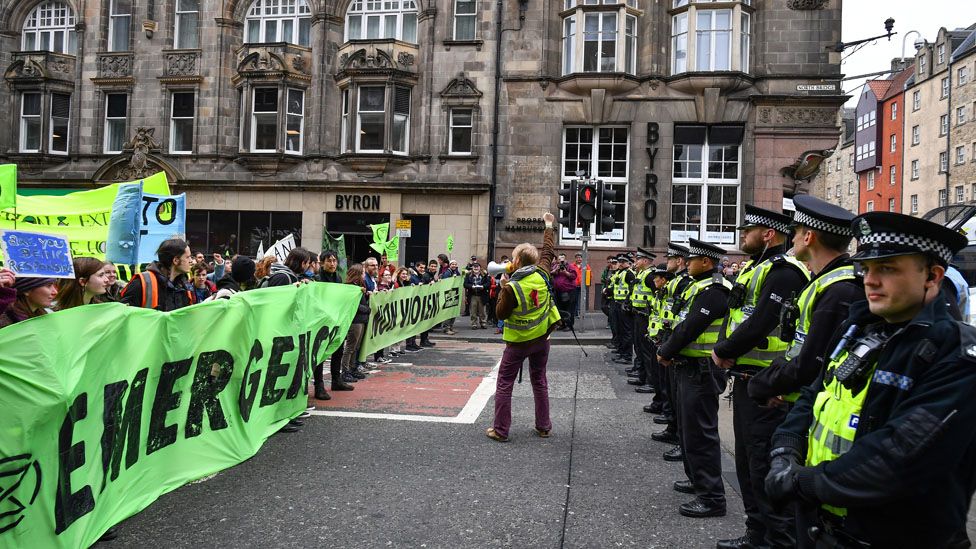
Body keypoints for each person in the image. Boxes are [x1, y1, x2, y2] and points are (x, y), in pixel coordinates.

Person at [765, 212, 976, 548]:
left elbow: (899, 457)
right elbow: (814, 395)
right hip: (821, 526)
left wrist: (800, 483)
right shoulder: (857, 328)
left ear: (932, 276)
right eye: (867, 268)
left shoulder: (955, 355)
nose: (870, 280)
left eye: (888, 269)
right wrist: (784, 450)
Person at [712, 206, 810, 549]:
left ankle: (775, 539)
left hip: (768, 385)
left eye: (748, 229)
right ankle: (757, 534)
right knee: (748, 464)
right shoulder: (759, 267)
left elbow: (762, 321)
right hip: (748, 377)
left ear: (768, 234)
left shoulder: (785, 273)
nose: (742, 235)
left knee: (763, 465)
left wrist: (723, 349)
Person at [748, 195, 862, 415]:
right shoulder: (826, 281)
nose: (792, 239)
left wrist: (761, 385)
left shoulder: (838, 290)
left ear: (809, 236)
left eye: (797, 232)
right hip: (798, 397)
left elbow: (810, 362)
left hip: (811, 407)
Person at [656, 239, 732, 518]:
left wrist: (665, 351)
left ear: (707, 262)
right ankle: (698, 480)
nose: (686, 263)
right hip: (688, 366)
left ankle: (712, 496)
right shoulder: (699, 286)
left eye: (693, 259)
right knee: (690, 431)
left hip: (701, 370)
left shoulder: (715, 290)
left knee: (701, 433)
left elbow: (690, 327)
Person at [486, 211, 562, 442]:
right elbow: (548, 250)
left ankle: (500, 430)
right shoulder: (543, 272)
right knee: (539, 381)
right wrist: (548, 225)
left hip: (518, 342)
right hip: (542, 339)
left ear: (517, 262)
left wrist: (502, 288)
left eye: (512, 257)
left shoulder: (512, 287)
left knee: (504, 384)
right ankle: (543, 426)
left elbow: (500, 313)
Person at [651, 243, 692, 464]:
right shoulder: (677, 281)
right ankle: (672, 427)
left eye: (670, 259)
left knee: (677, 394)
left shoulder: (685, 282)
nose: (667, 263)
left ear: (679, 261)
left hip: (676, 343)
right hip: (668, 338)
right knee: (670, 389)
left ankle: (676, 434)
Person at [312, 251, 355, 397]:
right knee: (321, 353)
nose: (332, 264)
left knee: (338, 350)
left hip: (336, 321)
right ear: (322, 263)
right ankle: (319, 385)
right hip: (321, 322)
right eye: (329, 261)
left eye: (334, 261)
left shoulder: (337, 277)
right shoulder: (317, 279)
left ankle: (336, 380)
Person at [120, 238, 195, 311]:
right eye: (188, 257)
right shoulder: (142, 283)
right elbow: (125, 315)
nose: (191, 261)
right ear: (175, 260)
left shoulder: (185, 285)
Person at [626, 248, 657, 394]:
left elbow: (657, 296)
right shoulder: (642, 273)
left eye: (637, 259)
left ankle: (651, 382)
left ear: (645, 260)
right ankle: (642, 376)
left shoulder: (651, 275)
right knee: (638, 346)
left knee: (646, 350)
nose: (635, 262)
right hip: (638, 315)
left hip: (645, 316)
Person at [340, 264, 370, 385]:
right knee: (350, 347)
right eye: (362, 272)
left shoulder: (358, 287)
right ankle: (345, 371)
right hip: (355, 321)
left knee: (356, 347)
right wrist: (367, 309)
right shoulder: (350, 288)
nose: (364, 275)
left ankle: (352, 368)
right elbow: (354, 305)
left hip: (361, 320)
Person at [609, 254, 636, 365]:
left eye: (623, 262)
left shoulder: (629, 274)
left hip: (623, 304)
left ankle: (627, 356)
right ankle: (621, 351)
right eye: (619, 261)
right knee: (618, 329)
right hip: (617, 302)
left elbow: (631, 289)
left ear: (628, 263)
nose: (620, 263)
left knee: (626, 331)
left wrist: (627, 303)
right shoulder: (620, 273)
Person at [551, 254, 578, 331]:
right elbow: (551, 273)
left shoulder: (570, 266)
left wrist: (566, 272)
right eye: (559, 259)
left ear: (565, 260)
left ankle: (569, 325)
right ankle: (562, 324)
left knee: (569, 309)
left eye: (562, 259)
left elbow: (573, 276)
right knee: (560, 308)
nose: (561, 261)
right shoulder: (556, 266)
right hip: (558, 291)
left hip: (569, 291)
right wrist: (556, 270)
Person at [464, 263, 489, 329]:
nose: (476, 268)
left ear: (480, 268)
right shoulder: (468, 275)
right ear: (472, 268)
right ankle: (474, 324)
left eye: (477, 267)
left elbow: (488, 284)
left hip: (482, 295)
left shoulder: (484, 274)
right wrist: (472, 286)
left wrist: (483, 286)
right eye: (474, 267)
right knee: (473, 311)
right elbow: (465, 284)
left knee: (482, 311)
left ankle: (483, 323)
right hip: (472, 295)